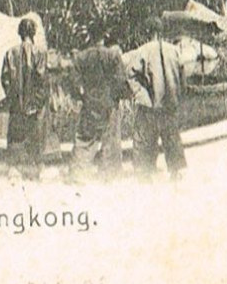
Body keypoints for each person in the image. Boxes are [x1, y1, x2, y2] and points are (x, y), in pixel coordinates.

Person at [129, 16, 186, 179]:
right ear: (160, 32)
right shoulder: (174, 50)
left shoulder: (142, 51)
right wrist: (179, 93)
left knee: (146, 139)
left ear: (148, 32)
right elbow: (182, 75)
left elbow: (130, 74)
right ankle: (175, 172)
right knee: (172, 136)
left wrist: (140, 94)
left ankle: (146, 174)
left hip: (150, 103)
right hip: (170, 101)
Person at [70, 35, 129, 181]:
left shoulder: (81, 57)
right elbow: (120, 81)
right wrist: (118, 97)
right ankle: (109, 175)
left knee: (85, 138)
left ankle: (78, 174)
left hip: (90, 102)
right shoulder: (113, 55)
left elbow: (74, 82)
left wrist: (82, 96)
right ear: (104, 37)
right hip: (109, 102)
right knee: (111, 139)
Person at [0, 17, 47, 179]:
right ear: (33, 33)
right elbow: (41, 80)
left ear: (20, 33)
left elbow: (5, 78)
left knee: (15, 136)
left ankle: (14, 168)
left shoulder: (10, 52)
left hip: (15, 103)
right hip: (34, 104)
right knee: (34, 136)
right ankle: (33, 170)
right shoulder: (40, 53)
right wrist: (38, 102)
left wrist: (12, 97)